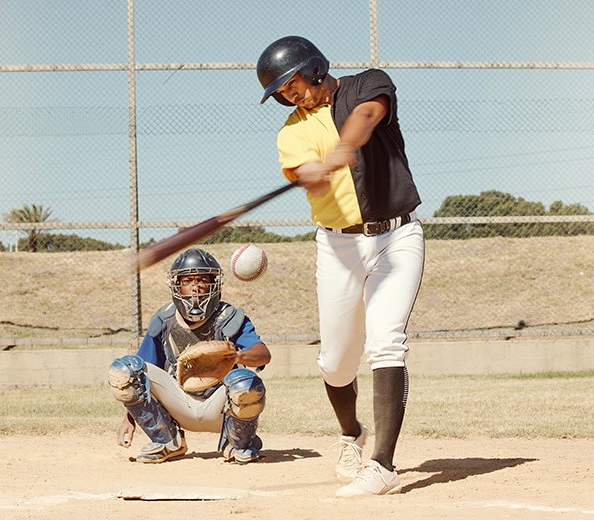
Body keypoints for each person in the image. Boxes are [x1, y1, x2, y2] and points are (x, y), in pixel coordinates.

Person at [256, 36, 425, 497]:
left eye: (291, 85)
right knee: (335, 362)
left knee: (386, 341)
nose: (290, 97)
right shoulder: (291, 133)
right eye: (281, 94)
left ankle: (383, 466)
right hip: (337, 248)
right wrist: (308, 174)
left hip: (397, 237)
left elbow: (369, 116)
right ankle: (351, 435)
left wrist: (343, 145)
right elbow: (306, 177)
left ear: (312, 68)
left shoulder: (368, 83)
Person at [108, 247, 271, 464]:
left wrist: (238, 356)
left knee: (246, 382)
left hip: (221, 407)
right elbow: (140, 376)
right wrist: (130, 418)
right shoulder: (165, 320)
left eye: (203, 279)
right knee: (125, 369)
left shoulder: (229, 317)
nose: (196, 287)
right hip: (180, 402)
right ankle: (167, 441)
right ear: (177, 286)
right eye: (187, 281)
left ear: (215, 284)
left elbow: (263, 355)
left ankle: (237, 443)